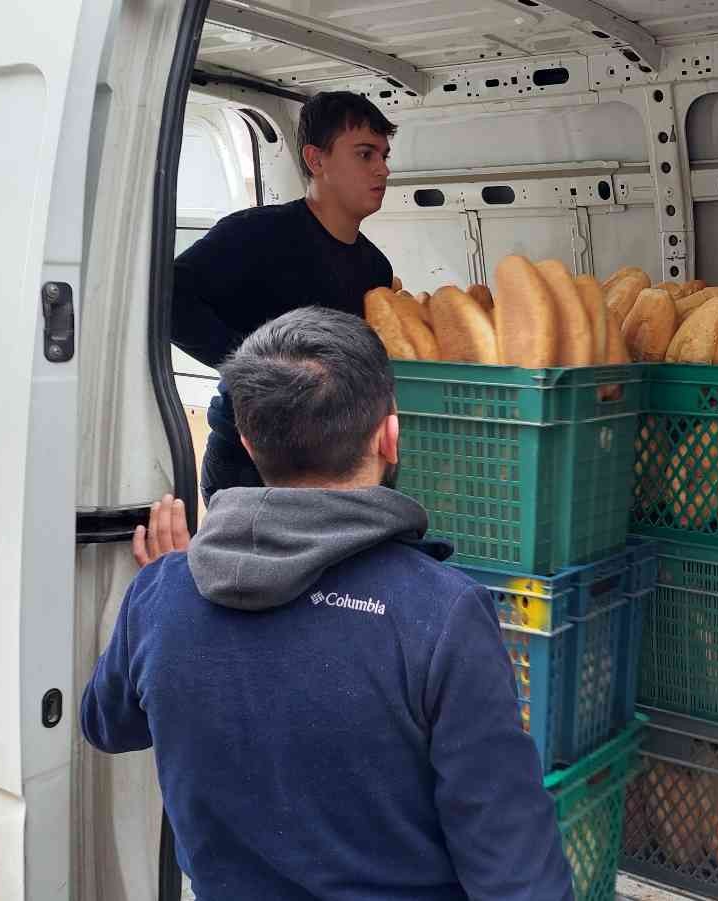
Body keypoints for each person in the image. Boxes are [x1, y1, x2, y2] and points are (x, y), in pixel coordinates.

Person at [81, 308, 573, 901]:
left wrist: (165, 594)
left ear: (246, 439)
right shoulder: (442, 615)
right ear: (389, 436)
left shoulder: (162, 593)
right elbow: (513, 865)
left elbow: (107, 725)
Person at [173, 91, 397, 501]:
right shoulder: (255, 234)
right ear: (316, 161)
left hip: (333, 463)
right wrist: (254, 367)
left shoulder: (375, 267)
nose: (382, 169)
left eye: (385, 156)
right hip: (251, 463)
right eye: (366, 155)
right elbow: (169, 301)